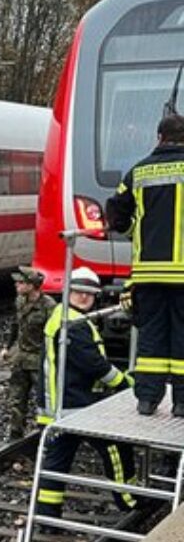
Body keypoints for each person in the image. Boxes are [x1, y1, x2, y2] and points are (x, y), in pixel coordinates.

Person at [36, 266, 137, 518]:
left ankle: (47, 514)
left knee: (57, 462)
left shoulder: (62, 315)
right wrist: (126, 383)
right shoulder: (75, 324)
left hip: (59, 406)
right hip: (76, 407)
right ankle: (129, 500)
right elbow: (95, 365)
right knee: (115, 446)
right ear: (68, 292)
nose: (84, 297)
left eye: (89, 294)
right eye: (79, 292)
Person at [106, 113, 184, 417]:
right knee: (182, 336)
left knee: (151, 335)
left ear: (159, 137)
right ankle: (181, 403)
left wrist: (135, 234)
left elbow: (116, 212)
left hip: (149, 271)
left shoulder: (138, 172)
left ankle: (147, 400)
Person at [0, 266, 55, 440]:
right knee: (16, 397)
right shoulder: (20, 301)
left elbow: (54, 333)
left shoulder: (49, 306)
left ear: (32, 285)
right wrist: (8, 347)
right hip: (22, 357)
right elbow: (15, 325)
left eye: (21, 282)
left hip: (39, 358)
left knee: (43, 398)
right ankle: (15, 431)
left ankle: (45, 431)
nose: (17, 285)